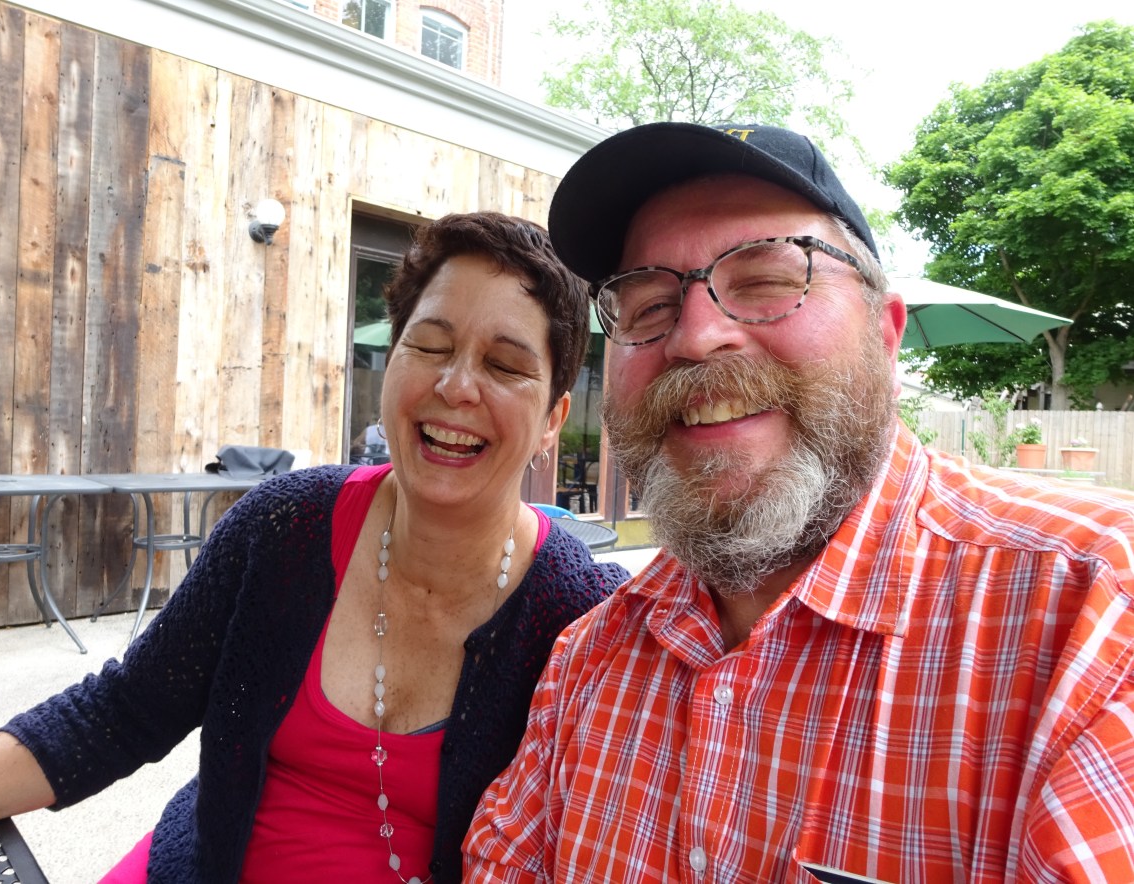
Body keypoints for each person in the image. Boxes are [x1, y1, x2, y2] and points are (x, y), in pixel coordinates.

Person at [463, 123, 1134, 881]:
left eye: (766, 281)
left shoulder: (1094, 621)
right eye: (648, 305)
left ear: (885, 336)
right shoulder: (588, 660)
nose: (695, 336)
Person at [0, 212, 629, 884]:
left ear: (553, 419)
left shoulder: (582, 617)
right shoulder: (286, 525)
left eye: (505, 365)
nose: (455, 387)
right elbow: (125, 711)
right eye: (429, 346)